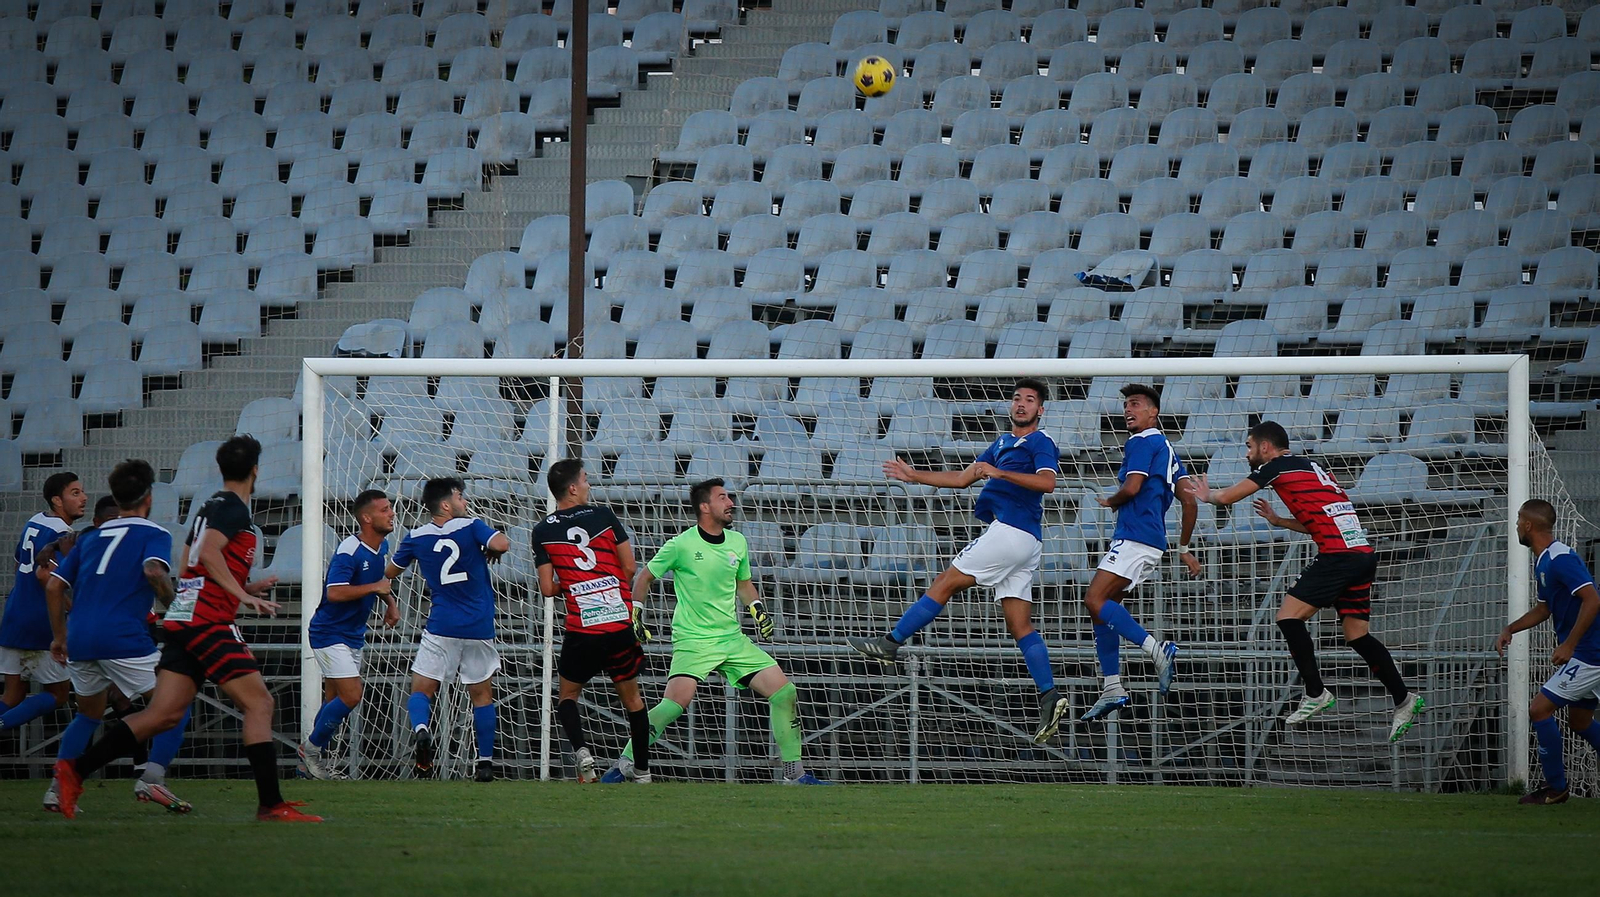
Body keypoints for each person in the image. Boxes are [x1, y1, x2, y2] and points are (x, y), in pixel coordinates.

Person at [52, 436, 319, 822]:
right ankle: (271, 805)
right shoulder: (233, 508)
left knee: (163, 714)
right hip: (208, 622)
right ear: (255, 470)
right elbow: (207, 554)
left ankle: (74, 771)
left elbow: (189, 562)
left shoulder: (209, 506)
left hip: (184, 618)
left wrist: (241, 587)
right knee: (259, 704)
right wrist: (239, 596)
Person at [848, 379, 1070, 743]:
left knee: (945, 582)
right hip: (1026, 541)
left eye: (1030, 400)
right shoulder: (1001, 443)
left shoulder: (1040, 442)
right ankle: (1049, 695)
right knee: (1020, 626)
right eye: (1017, 398)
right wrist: (914, 475)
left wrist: (1001, 473)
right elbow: (964, 478)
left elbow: (1047, 483)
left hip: (1011, 532)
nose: (1021, 404)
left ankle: (890, 643)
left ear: (1040, 410)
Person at [1192, 420, 1423, 741]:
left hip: (1339, 556)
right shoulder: (1314, 468)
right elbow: (1320, 522)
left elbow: (1229, 497)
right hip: (1361, 554)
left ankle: (1315, 692)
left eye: (1249, 446)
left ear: (1265, 446)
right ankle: (1404, 698)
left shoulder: (1276, 467)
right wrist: (1278, 520)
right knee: (1358, 636)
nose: (1246, 454)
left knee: (1288, 617)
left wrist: (1208, 496)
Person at [601, 478, 827, 785]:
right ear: (705, 507)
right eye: (723, 498)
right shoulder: (681, 544)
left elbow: (743, 584)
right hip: (694, 640)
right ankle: (626, 761)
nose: (731, 503)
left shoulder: (737, 541)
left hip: (732, 639)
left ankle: (794, 774)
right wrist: (636, 610)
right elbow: (645, 576)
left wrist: (757, 608)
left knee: (784, 692)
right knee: (673, 705)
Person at [43, 460, 191, 813]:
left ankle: (56, 791)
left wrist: (59, 637)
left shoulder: (91, 537)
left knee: (88, 715)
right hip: (122, 636)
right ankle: (152, 778)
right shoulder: (154, 533)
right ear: (149, 497)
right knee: (176, 705)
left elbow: (53, 586)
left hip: (80, 636)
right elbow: (153, 570)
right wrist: (177, 613)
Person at [1079, 384, 1202, 721]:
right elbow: (1190, 501)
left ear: (1153, 412)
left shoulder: (1141, 441)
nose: (1127, 410)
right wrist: (1184, 548)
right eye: (1125, 405)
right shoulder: (1167, 448)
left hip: (1134, 537)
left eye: (1135, 404)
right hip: (1151, 540)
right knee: (1104, 609)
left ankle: (1157, 650)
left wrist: (1111, 500)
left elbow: (1132, 487)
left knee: (1093, 599)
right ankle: (1112, 686)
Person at [533, 459, 651, 783]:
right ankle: (642, 771)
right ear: (573, 488)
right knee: (633, 700)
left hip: (582, 629)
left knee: (567, 697)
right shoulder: (603, 516)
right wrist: (605, 584)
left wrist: (573, 583)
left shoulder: (542, 530)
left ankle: (583, 752)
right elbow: (630, 567)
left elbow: (547, 589)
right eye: (585, 479)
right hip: (617, 624)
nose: (588, 484)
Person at [387, 477, 510, 782]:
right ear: (445, 505)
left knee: (421, 690)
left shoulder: (416, 536)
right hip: (478, 626)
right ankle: (485, 763)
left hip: (442, 625)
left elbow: (390, 572)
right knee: (481, 695)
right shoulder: (471, 526)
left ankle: (422, 730)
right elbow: (502, 544)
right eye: (460, 496)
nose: (465, 502)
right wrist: (492, 548)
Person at [1495, 498, 1600, 805]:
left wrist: (1569, 644)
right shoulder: (1543, 561)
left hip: (1589, 653)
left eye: (1518, 520)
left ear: (1528, 525)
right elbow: (1544, 608)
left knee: (1539, 709)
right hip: (1585, 651)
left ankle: (1556, 788)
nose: (1516, 525)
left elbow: (1593, 599)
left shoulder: (1560, 558)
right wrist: (1511, 629)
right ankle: (1556, 787)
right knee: (1580, 722)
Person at [298, 489, 399, 780]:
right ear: (366, 518)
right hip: (329, 633)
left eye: (390, 508)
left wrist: (390, 603)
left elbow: (377, 580)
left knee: (333, 700)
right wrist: (375, 589)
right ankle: (310, 752)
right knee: (352, 695)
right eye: (384, 509)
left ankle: (307, 768)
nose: (392, 513)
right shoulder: (349, 552)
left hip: (352, 634)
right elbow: (335, 592)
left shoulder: (381, 546)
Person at [0, 472, 87, 732]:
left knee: (13, 694)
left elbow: (19, 562)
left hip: (14, 616)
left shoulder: (35, 521)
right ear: (57, 500)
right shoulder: (62, 534)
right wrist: (74, 609)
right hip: (42, 622)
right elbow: (47, 577)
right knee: (59, 694)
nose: (83, 498)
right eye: (75, 493)